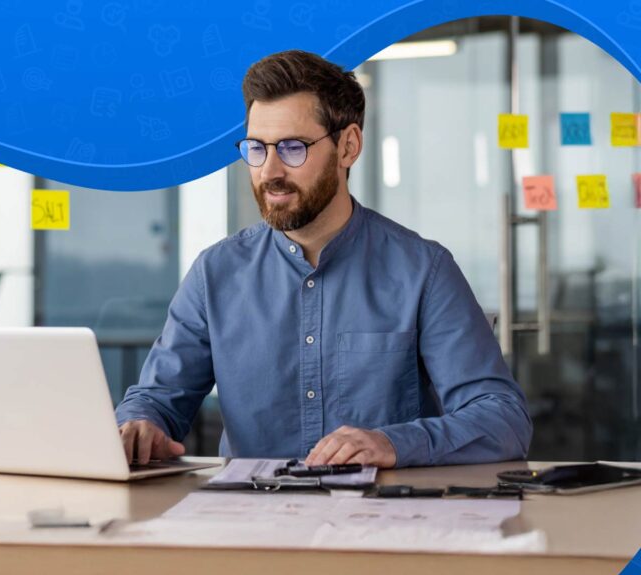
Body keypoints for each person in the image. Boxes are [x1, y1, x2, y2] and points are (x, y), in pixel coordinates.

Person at [115, 49, 532, 469]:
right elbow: (156, 400)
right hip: (251, 523)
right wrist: (140, 425)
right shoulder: (215, 274)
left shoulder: (424, 272)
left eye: (293, 148)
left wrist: (394, 443)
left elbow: (502, 419)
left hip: (379, 524)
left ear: (348, 146)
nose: (270, 171)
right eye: (257, 148)